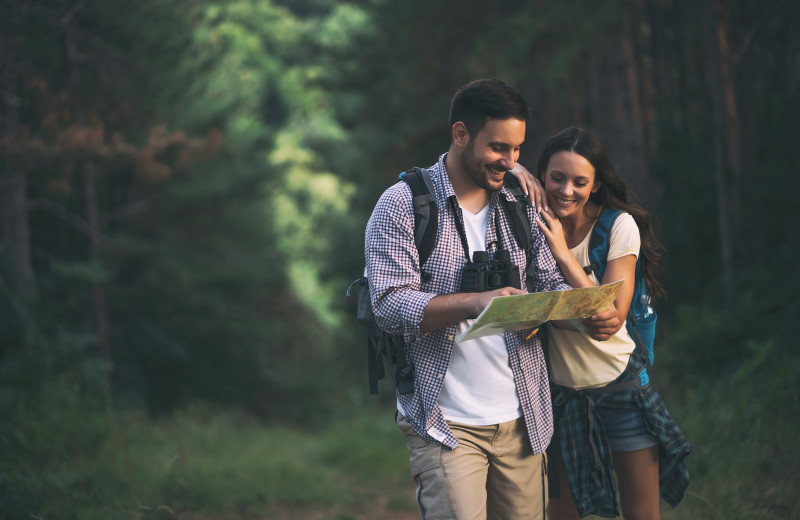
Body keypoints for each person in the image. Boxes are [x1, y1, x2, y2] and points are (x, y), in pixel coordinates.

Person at [364, 80, 620, 520]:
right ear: (461, 134)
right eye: (499, 147)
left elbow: (546, 281)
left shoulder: (520, 200)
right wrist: (476, 302)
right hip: (444, 424)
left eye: (518, 149)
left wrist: (578, 313)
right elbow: (389, 303)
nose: (511, 160)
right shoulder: (404, 206)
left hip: (524, 419)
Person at [510, 126, 691, 519]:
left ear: (595, 185)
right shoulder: (527, 223)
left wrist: (561, 251)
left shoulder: (618, 225)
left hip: (621, 388)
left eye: (580, 182)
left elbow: (609, 317)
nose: (566, 190)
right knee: (562, 513)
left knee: (641, 512)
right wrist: (516, 170)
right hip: (561, 397)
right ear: (542, 176)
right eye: (556, 178)